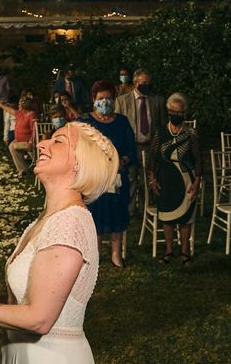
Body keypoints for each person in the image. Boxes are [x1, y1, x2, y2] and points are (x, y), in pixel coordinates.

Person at [0, 121, 118, 364]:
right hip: (26, 361)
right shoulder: (48, 220)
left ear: (80, 163)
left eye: (58, 141)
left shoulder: (69, 224)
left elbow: (39, 318)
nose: (42, 144)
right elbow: (29, 298)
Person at [81, 81, 136, 268]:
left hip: (116, 179)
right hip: (94, 179)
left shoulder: (122, 122)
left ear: (114, 100)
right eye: (100, 99)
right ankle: (94, 255)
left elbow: (132, 151)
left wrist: (123, 161)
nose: (104, 102)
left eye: (108, 99)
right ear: (93, 100)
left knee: (117, 215)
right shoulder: (85, 122)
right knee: (94, 216)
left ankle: (116, 254)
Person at [147, 93, 201, 265]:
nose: (177, 115)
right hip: (166, 179)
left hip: (187, 178)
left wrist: (197, 181)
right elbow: (153, 157)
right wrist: (152, 178)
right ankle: (169, 250)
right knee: (167, 216)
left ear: (185, 113)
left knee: (186, 217)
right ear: (168, 111)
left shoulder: (191, 133)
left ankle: (185, 252)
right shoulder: (161, 132)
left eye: (181, 112)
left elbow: (198, 158)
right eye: (174, 112)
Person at [115, 68, 165, 215]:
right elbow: (118, 127)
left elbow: (162, 125)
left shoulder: (157, 100)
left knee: (147, 178)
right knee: (130, 178)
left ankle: (146, 209)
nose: (147, 86)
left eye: (149, 83)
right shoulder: (122, 101)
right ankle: (129, 210)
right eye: (144, 83)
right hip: (130, 146)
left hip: (150, 145)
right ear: (135, 82)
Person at [0, 96, 38, 176]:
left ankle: (40, 166)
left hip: (28, 141)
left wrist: (31, 141)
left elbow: (34, 130)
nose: (19, 106)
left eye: (20, 105)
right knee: (11, 146)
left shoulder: (31, 115)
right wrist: (1, 105)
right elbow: (10, 110)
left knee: (34, 155)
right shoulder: (20, 113)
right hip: (18, 140)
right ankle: (22, 169)